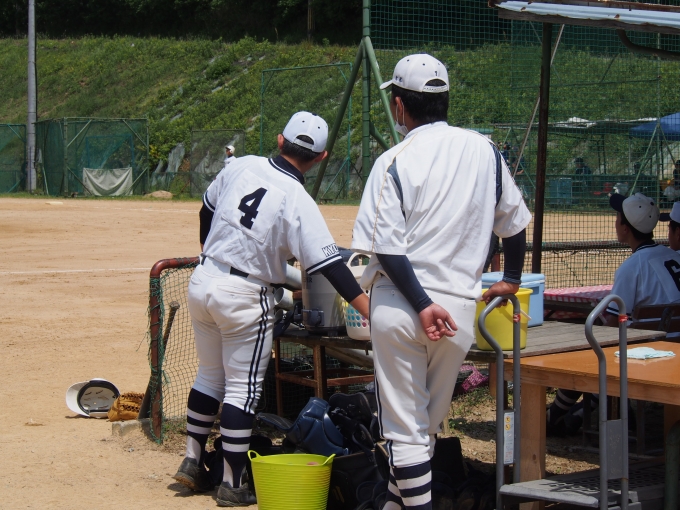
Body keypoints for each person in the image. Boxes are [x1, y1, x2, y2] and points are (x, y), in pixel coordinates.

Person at [351, 53, 531, 510]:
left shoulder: (393, 159)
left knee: (405, 434)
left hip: (404, 304)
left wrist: (420, 303)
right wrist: (511, 278)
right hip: (460, 311)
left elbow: (386, 249)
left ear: (399, 105)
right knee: (424, 430)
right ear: (445, 100)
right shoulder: (485, 151)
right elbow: (514, 225)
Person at [173, 111, 370, 507]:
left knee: (209, 376)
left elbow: (206, 209)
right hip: (244, 295)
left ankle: (192, 461)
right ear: (321, 157)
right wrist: (368, 308)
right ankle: (232, 483)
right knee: (242, 390)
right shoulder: (299, 200)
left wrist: (209, 251)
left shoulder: (242, 165)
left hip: (204, 279)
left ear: (280, 140)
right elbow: (331, 267)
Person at [548, 193, 680, 435]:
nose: (616, 222)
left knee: (589, 352)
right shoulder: (673, 256)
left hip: (647, 354)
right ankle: (577, 412)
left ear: (626, 228)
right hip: (673, 347)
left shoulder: (632, 266)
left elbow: (610, 323)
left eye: (618, 218)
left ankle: (557, 415)